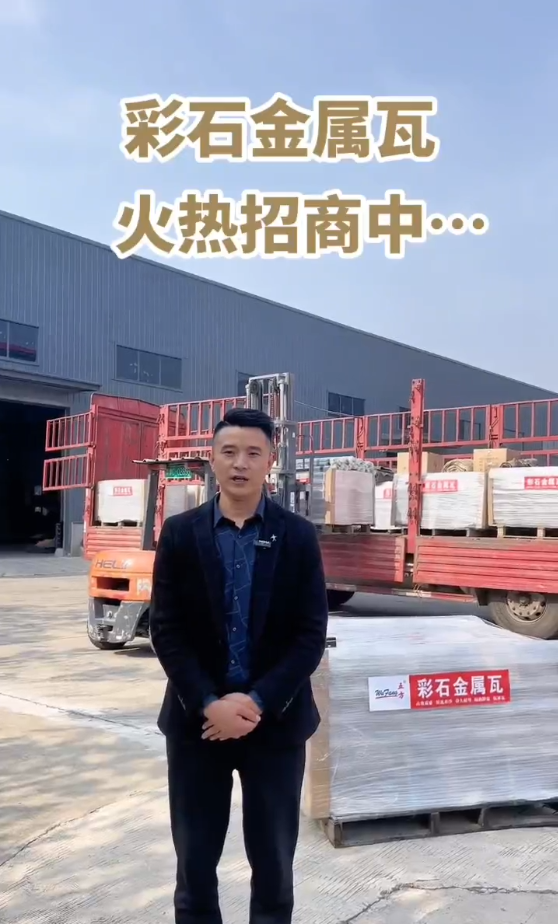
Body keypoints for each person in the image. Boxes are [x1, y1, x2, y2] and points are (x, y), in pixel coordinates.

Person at [149, 407, 328, 924]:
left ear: (270, 460)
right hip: (197, 726)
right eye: (229, 452)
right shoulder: (180, 533)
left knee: (273, 867)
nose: (240, 463)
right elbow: (166, 629)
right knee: (194, 865)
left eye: (253, 452)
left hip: (275, 725)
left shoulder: (297, 536)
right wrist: (209, 702)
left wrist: (256, 701)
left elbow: (309, 634)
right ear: (212, 459)